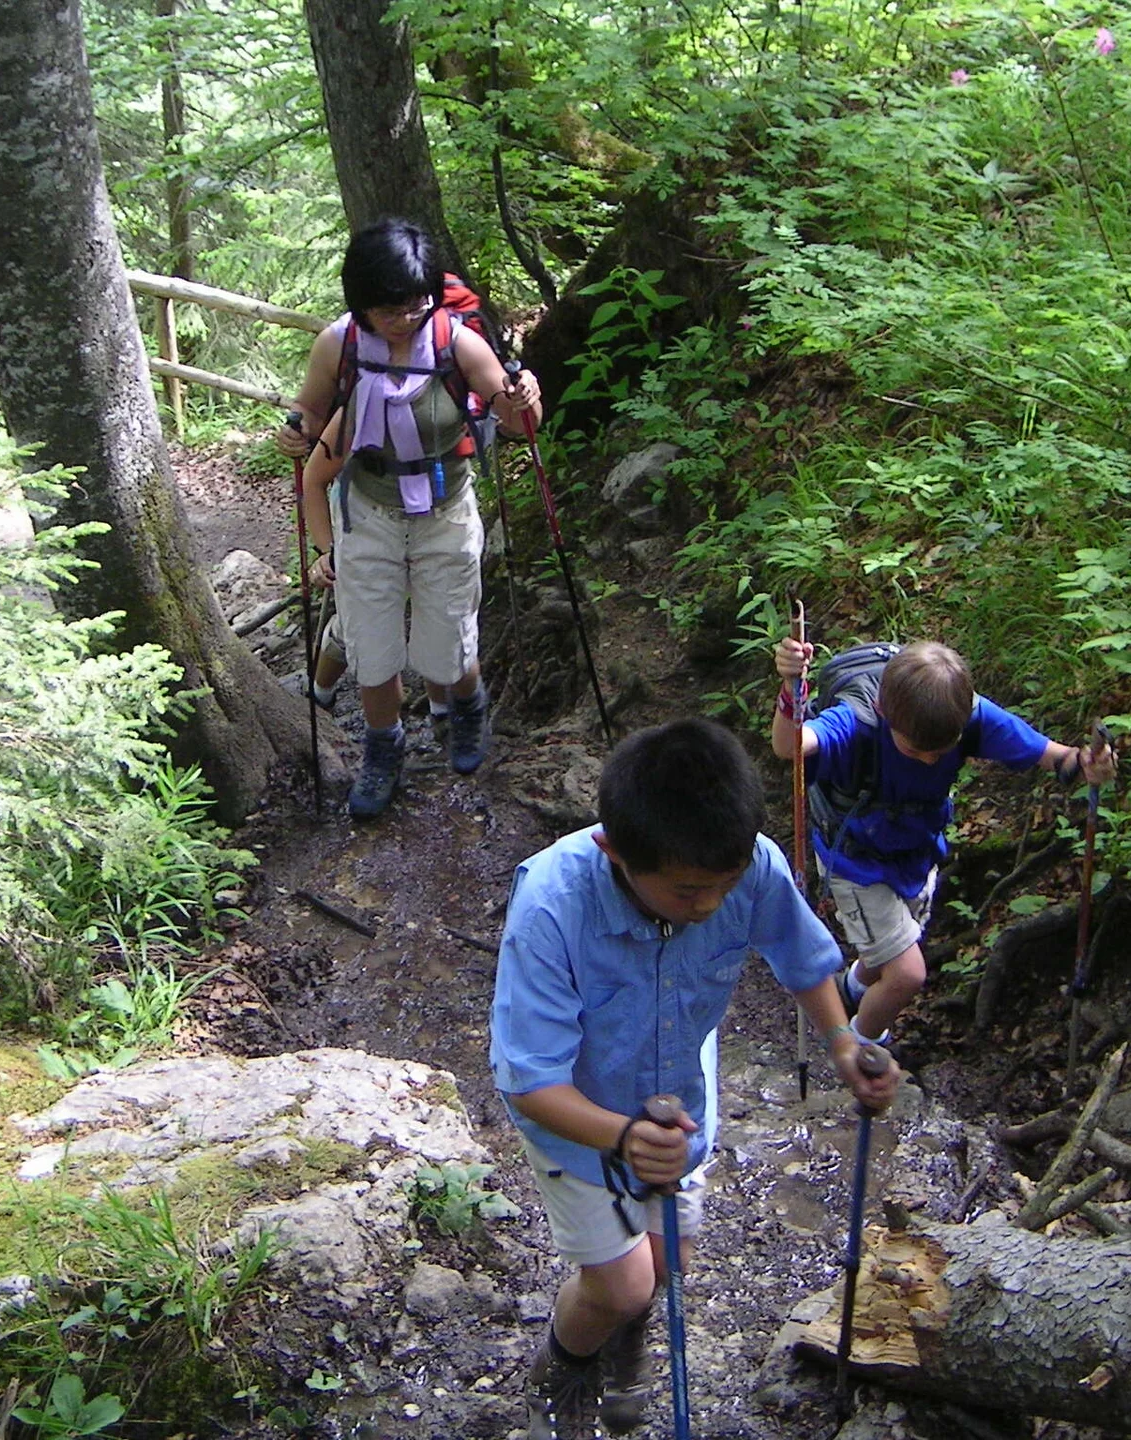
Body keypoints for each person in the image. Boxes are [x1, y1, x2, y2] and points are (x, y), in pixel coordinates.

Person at [489, 718, 899, 1438]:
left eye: (723, 886)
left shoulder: (749, 864)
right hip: (579, 1122)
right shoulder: (552, 905)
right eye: (686, 892)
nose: (709, 905)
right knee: (623, 1283)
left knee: (668, 1258)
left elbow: (803, 959)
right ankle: (562, 1369)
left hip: (679, 1101)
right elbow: (529, 1080)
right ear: (614, 851)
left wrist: (842, 1042)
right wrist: (624, 1137)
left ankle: (624, 1339)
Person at [275, 218, 540, 819]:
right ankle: (383, 748)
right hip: (367, 512)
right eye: (394, 307)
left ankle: (467, 707)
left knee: (448, 642)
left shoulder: (456, 342)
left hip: (445, 511)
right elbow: (311, 412)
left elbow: (521, 426)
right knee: (371, 646)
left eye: (420, 300)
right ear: (362, 302)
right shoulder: (338, 344)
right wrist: (295, 432)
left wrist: (526, 400)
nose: (409, 315)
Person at [772, 637, 1117, 1046]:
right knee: (906, 974)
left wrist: (1086, 763)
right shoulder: (861, 718)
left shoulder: (965, 715)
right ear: (886, 712)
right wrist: (792, 688)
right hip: (855, 863)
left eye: (942, 751)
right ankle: (860, 1052)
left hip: (916, 856)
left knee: (892, 946)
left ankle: (850, 992)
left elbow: (1053, 756)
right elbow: (788, 745)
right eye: (916, 750)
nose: (930, 760)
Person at [300, 408, 456, 728]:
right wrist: (326, 551)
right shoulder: (361, 404)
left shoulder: (454, 391)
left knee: (436, 616)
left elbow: (512, 425)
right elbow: (314, 478)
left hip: (431, 517)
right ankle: (320, 696)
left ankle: (443, 716)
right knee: (359, 624)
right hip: (363, 518)